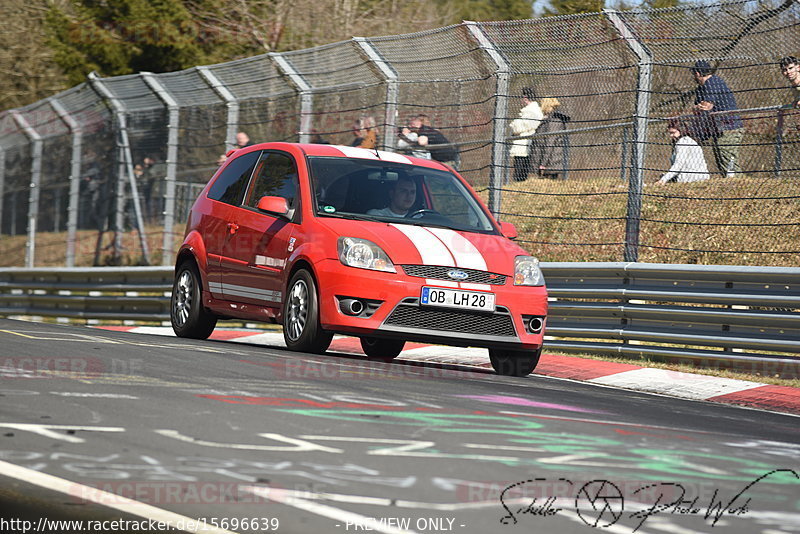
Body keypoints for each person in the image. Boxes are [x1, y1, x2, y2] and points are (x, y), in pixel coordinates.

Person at [691, 60, 744, 178]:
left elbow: (707, 106)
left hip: (730, 128)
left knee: (728, 161)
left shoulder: (713, 82)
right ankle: (730, 185)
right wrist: (699, 107)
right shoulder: (701, 89)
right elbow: (696, 109)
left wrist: (700, 107)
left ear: (698, 73)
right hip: (717, 129)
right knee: (721, 161)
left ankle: (739, 185)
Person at [658, 119, 710, 184]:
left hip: (691, 179)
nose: (671, 136)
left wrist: (664, 179)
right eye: (670, 133)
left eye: (673, 133)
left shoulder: (682, 142)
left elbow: (679, 164)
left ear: (681, 130)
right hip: (700, 177)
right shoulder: (688, 140)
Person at [529, 97, 570, 180]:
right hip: (547, 161)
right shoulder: (548, 119)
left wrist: (543, 164)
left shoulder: (554, 121)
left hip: (550, 163)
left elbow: (549, 143)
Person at [509, 86, 543, 182]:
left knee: (520, 172)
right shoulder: (532, 110)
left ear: (525, 97)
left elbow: (521, 126)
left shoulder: (532, 111)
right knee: (520, 170)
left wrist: (514, 124)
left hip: (525, 145)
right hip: (524, 143)